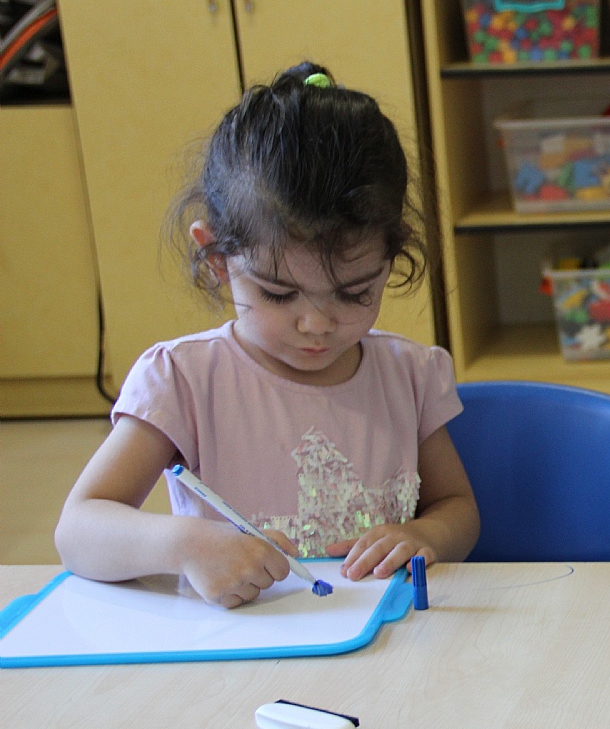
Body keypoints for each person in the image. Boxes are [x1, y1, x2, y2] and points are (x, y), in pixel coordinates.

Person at [55, 63, 480, 608]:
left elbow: (457, 507)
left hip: (389, 635)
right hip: (242, 641)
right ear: (217, 258)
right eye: (279, 294)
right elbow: (78, 529)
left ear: (390, 258)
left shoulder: (409, 375)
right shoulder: (183, 380)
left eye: (353, 293)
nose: (316, 324)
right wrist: (185, 545)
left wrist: (427, 535)